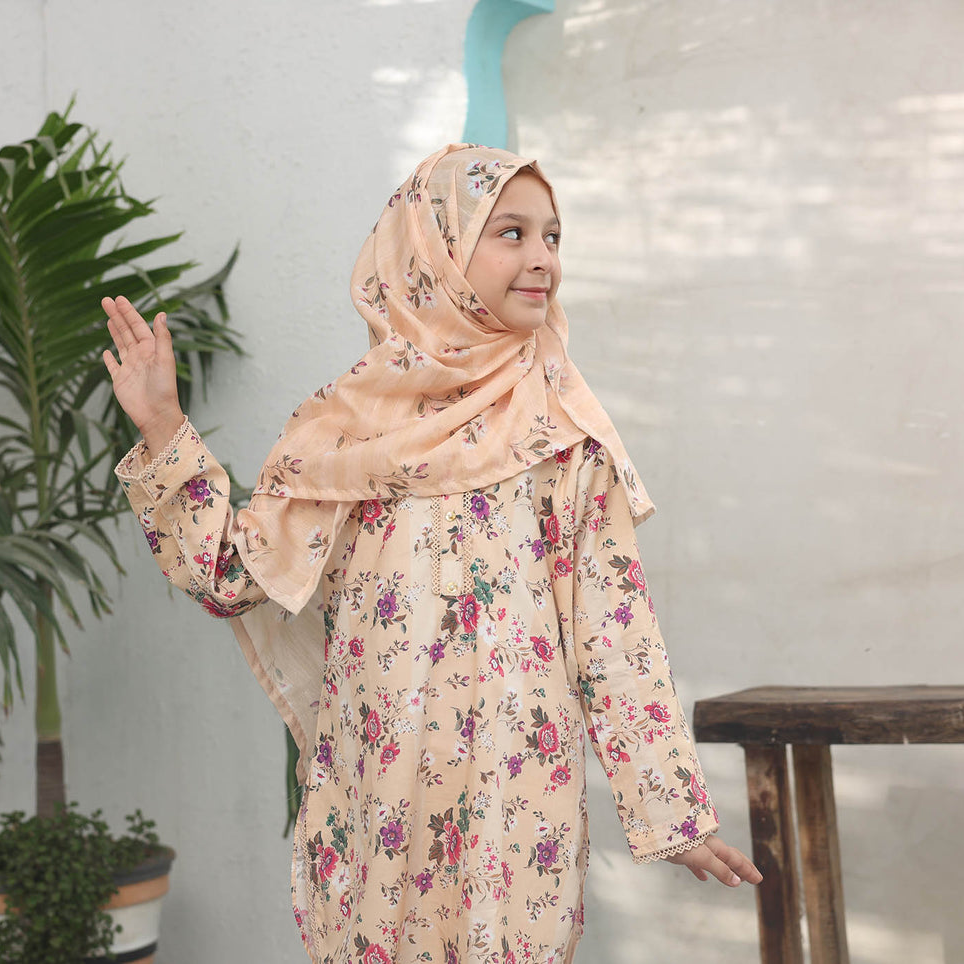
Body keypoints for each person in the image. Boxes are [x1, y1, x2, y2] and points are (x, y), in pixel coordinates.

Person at [102, 143, 761, 963]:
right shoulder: (349, 430)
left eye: (552, 237)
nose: (542, 259)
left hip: (516, 802)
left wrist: (671, 816)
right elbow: (233, 578)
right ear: (437, 249)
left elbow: (612, 635)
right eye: (511, 233)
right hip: (376, 789)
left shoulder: (562, 431)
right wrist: (164, 426)